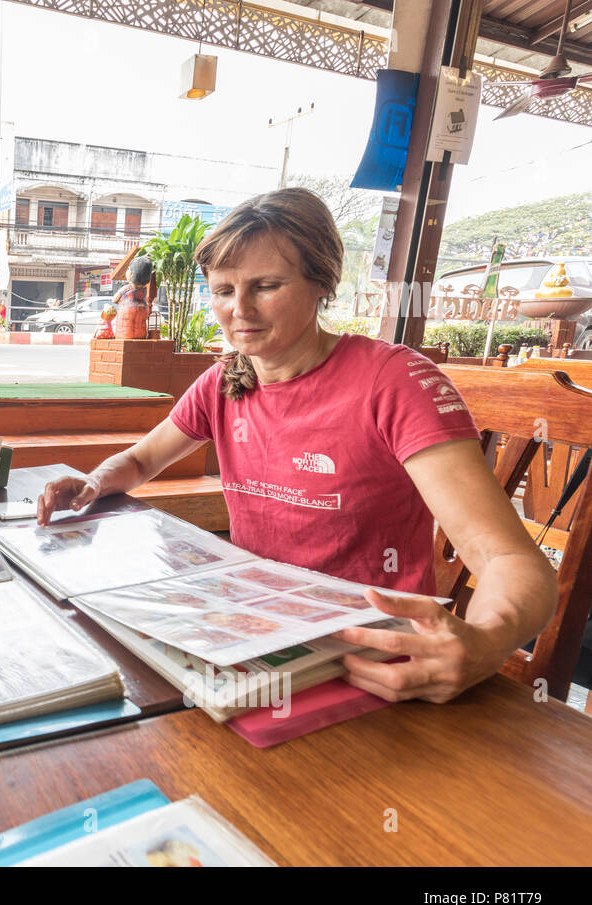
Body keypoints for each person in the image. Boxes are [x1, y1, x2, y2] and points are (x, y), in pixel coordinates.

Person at [38, 188, 557, 705]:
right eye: (222, 290)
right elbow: (141, 459)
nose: (238, 309)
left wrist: (487, 643)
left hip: (374, 664)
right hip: (253, 640)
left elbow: (509, 559)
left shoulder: (394, 381)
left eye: (266, 286)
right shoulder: (224, 382)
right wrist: (95, 481)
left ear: (320, 285)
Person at [112, 255, 153, 339]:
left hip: (126, 320)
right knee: (140, 327)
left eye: (128, 269)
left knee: (126, 330)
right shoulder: (144, 291)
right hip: (142, 312)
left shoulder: (125, 289)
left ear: (131, 274)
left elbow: (115, 299)